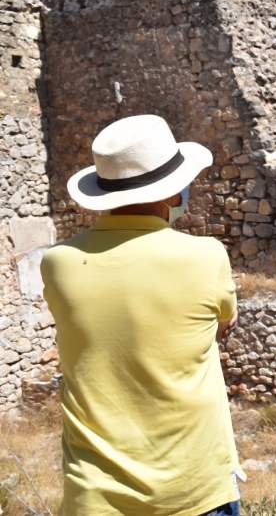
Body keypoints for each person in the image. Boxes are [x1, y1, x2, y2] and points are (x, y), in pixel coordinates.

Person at [41, 114, 243, 516]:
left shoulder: (57, 264)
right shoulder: (205, 256)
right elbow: (223, 324)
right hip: (195, 488)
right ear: (172, 194)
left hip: (95, 496)